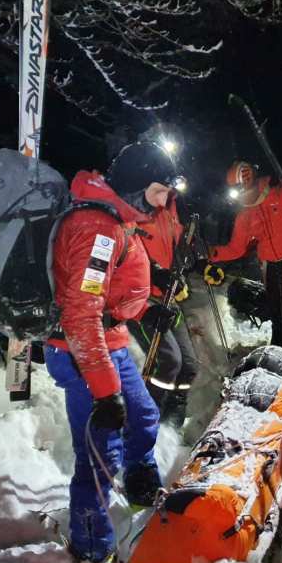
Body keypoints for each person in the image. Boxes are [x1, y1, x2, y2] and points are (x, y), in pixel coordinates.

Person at [44, 169, 166, 563]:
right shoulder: (98, 227)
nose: (162, 202)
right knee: (100, 452)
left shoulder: (116, 220)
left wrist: (144, 310)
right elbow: (81, 312)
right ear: (134, 182)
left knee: (143, 414)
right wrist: (105, 391)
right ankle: (90, 544)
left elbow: (107, 289)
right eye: (157, 190)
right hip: (83, 352)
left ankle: (140, 485)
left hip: (107, 343)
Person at [205, 161, 282, 361]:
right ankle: (280, 359)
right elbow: (237, 247)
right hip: (273, 267)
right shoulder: (246, 213)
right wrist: (212, 253)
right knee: (279, 316)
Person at [123, 177, 199, 429]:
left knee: (189, 365)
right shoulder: (135, 207)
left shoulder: (173, 209)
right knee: (168, 361)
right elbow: (129, 249)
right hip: (142, 298)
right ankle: (146, 418)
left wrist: (200, 264)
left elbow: (178, 251)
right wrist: (157, 273)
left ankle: (172, 419)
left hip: (167, 296)